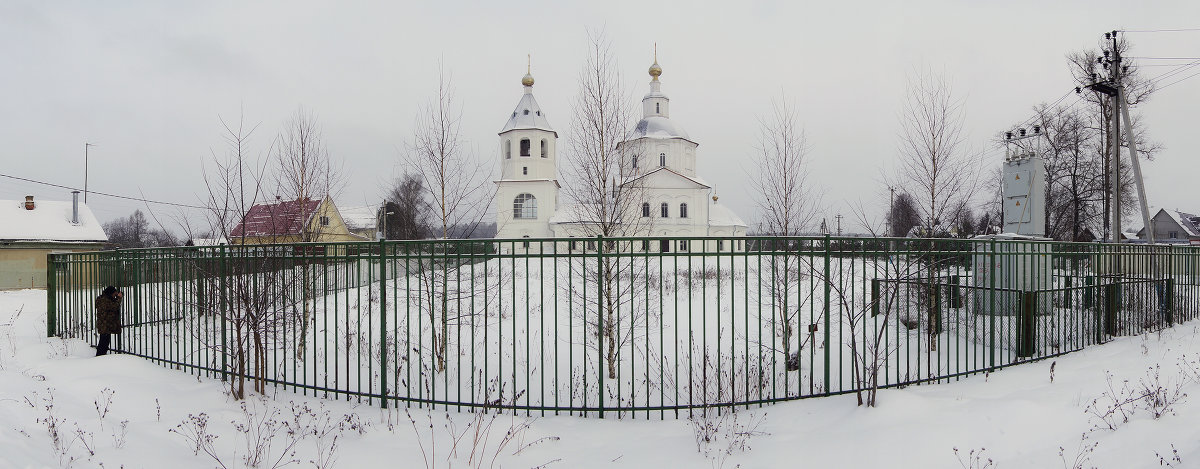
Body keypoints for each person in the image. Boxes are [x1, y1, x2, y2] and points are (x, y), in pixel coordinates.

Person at [94, 286, 123, 356]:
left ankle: (101, 355)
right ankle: (100, 356)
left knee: (104, 341)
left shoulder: (102, 298)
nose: (115, 295)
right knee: (104, 342)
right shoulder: (105, 300)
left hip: (104, 324)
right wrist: (119, 298)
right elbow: (114, 306)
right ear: (110, 293)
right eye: (114, 294)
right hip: (105, 324)